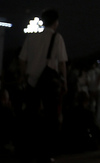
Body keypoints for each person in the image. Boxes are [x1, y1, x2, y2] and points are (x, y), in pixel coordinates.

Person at [18, 9, 68, 163]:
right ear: (55, 22)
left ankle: (27, 151)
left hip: (32, 82)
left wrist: (24, 75)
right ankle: (45, 153)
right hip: (49, 83)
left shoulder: (31, 37)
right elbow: (61, 62)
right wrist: (64, 82)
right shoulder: (57, 37)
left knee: (31, 118)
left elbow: (22, 59)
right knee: (50, 118)